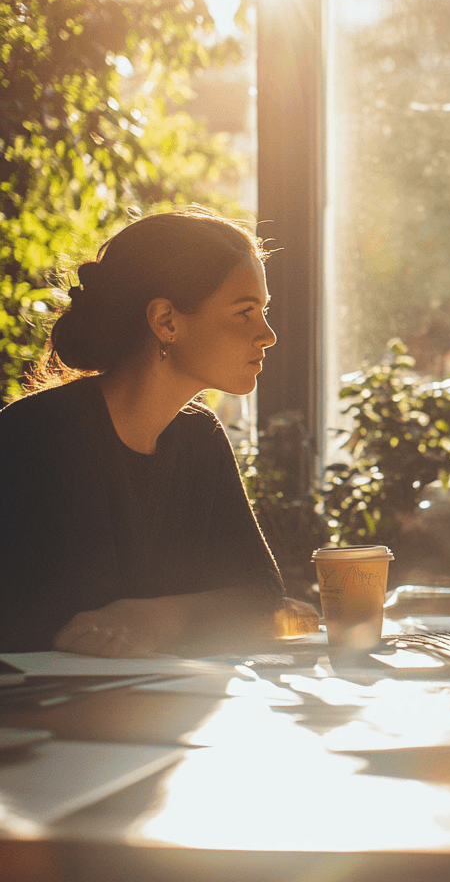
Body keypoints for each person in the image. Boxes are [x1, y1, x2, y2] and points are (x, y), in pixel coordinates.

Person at [0, 209, 313, 657]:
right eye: (245, 312)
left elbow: (260, 594)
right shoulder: (38, 437)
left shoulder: (199, 436)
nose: (268, 335)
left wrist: (149, 618)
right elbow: (50, 625)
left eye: (263, 311)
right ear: (166, 320)